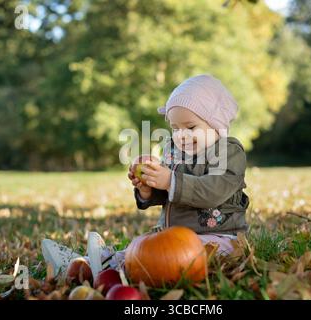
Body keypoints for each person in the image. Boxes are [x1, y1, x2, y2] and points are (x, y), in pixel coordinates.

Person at [42, 74, 249, 275]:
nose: (181, 135)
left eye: (191, 127)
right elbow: (171, 193)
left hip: (219, 238)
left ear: (217, 125)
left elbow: (214, 191)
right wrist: (149, 188)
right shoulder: (177, 153)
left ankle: (107, 265)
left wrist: (169, 180)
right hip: (176, 238)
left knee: (156, 257)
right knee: (140, 249)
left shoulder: (227, 152)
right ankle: (83, 264)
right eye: (175, 128)